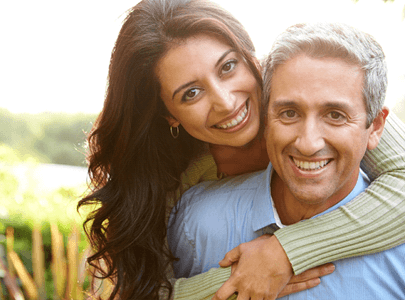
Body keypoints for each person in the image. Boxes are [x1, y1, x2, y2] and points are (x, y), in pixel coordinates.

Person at [76, 0, 405, 299]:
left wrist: (286, 252)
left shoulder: (309, 90)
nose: (226, 102)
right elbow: (144, 293)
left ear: (251, 57)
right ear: (169, 115)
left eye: (227, 67)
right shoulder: (169, 182)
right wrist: (238, 280)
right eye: (191, 93)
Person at [168, 22, 405, 299]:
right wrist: (235, 282)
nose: (308, 143)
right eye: (290, 112)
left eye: (335, 115)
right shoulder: (193, 222)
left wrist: (288, 250)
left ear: (375, 127)